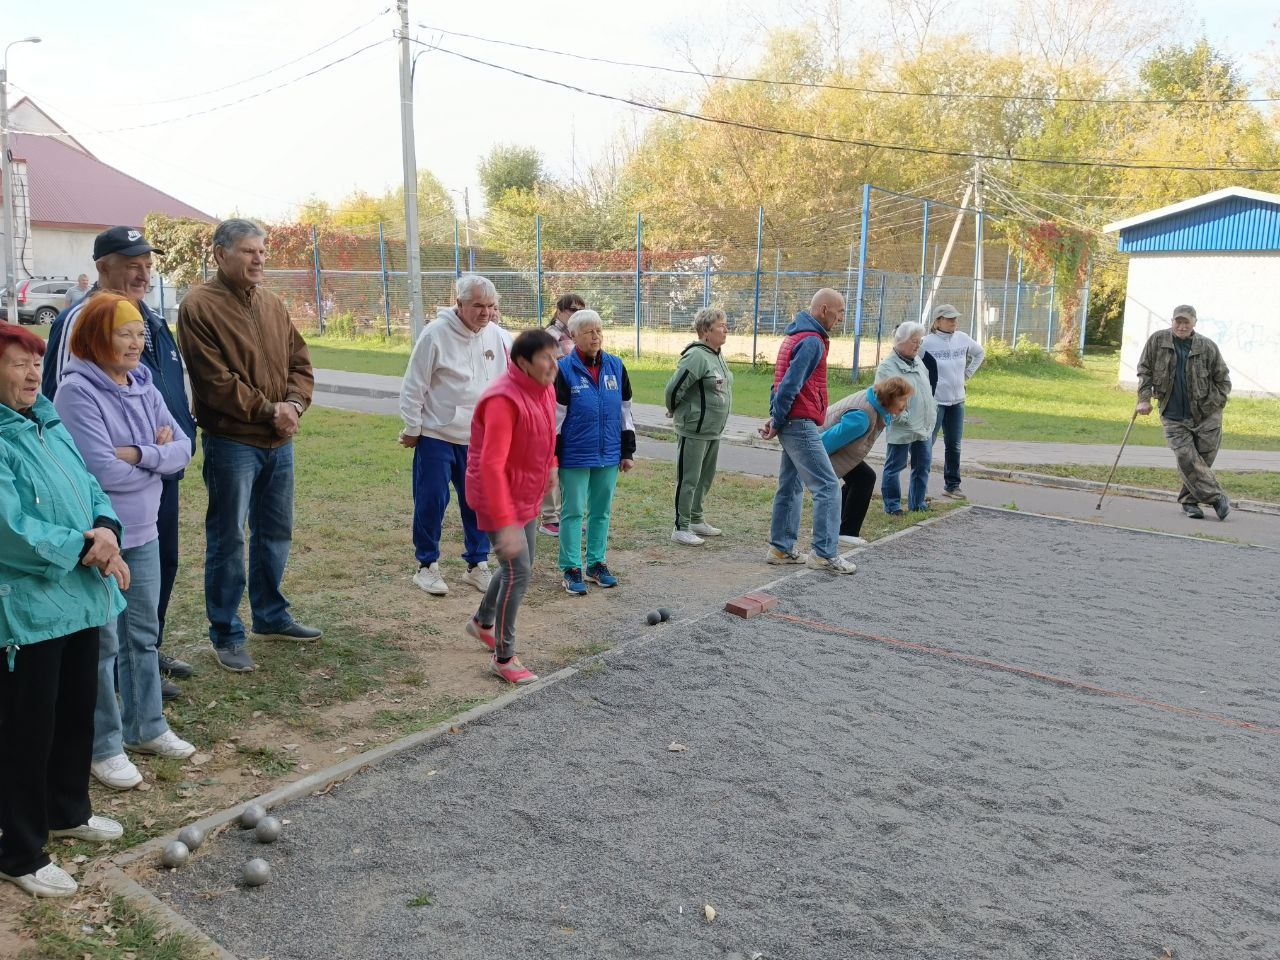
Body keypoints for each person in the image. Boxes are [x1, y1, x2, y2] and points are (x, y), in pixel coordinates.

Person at [0, 323, 128, 898]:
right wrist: (84, 546)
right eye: (17, 363)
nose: (32, 374)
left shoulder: (47, 420)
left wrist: (105, 527)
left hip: (78, 596)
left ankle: (67, 810)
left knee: (76, 710)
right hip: (26, 607)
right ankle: (20, 851)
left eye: (35, 362)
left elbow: (91, 485)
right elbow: (10, 529)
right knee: (27, 728)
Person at [43, 226, 198, 699]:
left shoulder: (148, 317)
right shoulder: (83, 321)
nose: (142, 273)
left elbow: (161, 397)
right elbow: (61, 408)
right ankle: (114, 682)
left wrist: (152, 453)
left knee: (159, 567)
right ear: (102, 267)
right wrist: (156, 451)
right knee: (111, 591)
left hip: (154, 479)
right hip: (110, 497)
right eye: (131, 264)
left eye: (147, 264)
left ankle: (143, 662)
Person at [54, 293, 196, 790]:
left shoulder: (144, 383)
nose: (136, 342)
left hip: (146, 529)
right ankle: (104, 747)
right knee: (104, 644)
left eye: (139, 332)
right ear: (97, 337)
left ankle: (147, 727)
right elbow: (97, 470)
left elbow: (182, 449)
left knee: (143, 636)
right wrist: (154, 459)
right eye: (123, 333)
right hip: (103, 538)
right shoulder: (76, 392)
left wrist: (139, 456)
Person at [177, 219, 319, 674]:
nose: (259, 259)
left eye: (262, 251)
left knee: (275, 532)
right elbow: (213, 382)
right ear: (220, 254)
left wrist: (294, 404)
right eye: (248, 251)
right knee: (228, 539)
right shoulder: (198, 306)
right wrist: (269, 410)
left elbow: (300, 359)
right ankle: (226, 632)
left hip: (279, 440)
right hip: (232, 441)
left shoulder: (272, 302)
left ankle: (271, 616)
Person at [398, 274, 508, 597]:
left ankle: (477, 564)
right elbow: (413, 385)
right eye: (477, 306)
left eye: (490, 306)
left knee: (477, 504)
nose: (485, 313)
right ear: (459, 304)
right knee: (431, 500)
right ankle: (426, 566)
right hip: (437, 434)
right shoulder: (435, 334)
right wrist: (412, 428)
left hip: (481, 438)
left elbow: (510, 380)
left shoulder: (499, 337)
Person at [464, 329, 561, 684]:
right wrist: (504, 524)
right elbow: (491, 466)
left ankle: (482, 622)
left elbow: (549, 431)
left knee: (520, 566)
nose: (554, 364)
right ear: (523, 362)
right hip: (497, 499)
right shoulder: (502, 400)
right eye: (546, 358)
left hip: (526, 493)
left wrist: (550, 465)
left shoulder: (545, 387)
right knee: (518, 570)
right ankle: (504, 657)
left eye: (556, 356)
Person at [760, 289, 858, 575]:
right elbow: (790, 384)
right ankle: (825, 554)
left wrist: (775, 416)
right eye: (839, 312)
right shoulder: (812, 341)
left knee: (790, 485)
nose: (841, 318)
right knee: (827, 486)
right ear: (824, 309)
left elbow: (779, 381)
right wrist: (777, 420)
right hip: (799, 423)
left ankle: (781, 548)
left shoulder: (795, 335)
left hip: (791, 420)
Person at [554, 309, 636, 594]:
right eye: (589, 331)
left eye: (599, 330)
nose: (595, 336)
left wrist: (627, 451)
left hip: (609, 453)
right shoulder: (563, 369)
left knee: (601, 512)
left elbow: (625, 411)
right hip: (574, 454)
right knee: (573, 511)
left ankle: (596, 564)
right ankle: (571, 567)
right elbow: (556, 418)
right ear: (573, 336)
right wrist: (553, 456)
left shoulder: (616, 366)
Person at [1136, 304, 1232, 520]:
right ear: (1172, 321)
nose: (1181, 326)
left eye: (1186, 322)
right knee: (1186, 457)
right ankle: (1217, 498)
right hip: (1173, 414)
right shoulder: (1157, 341)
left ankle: (1189, 502)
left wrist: (1214, 404)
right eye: (1178, 321)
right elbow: (1144, 370)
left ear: (1194, 323)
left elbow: (1223, 380)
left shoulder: (1207, 346)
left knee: (1202, 461)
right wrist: (1143, 399)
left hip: (1207, 416)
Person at [664, 306, 734, 546]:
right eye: (721, 325)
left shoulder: (716, 354)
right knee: (689, 479)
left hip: (712, 430)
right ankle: (680, 527)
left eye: (725, 324)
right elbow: (674, 388)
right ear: (706, 331)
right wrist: (674, 409)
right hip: (694, 429)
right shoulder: (696, 356)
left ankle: (696, 519)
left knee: (704, 478)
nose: (726, 329)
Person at [821, 377, 913, 546]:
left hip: (838, 450)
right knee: (864, 478)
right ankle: (845, 532)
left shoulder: (874, 404)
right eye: (902, 399)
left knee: (861, 478)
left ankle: (833, 527)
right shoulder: (861, 418)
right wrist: (807, 460)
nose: (905, 404)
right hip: (820, 448)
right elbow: (826, 441)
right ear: (890, 397)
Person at [922, 303, 984, 500]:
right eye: (949, 319)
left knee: (954, 444)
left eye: (955, 318)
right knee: (927, 443)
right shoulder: (926, 342)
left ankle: (952, 485)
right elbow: (912, 361)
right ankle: (919, 488)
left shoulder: (963, 338)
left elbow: (979, 353)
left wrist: (968, 374)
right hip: (936, 401)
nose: (954, 322)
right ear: (938, 321)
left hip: (957, 401)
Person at [876, 322, 937, 515]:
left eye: (919, 341)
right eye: (914, 341)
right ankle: (892, 507)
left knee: (922, 466)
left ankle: (918, 504)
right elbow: (884, 400)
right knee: (895, 467)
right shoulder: (887, 367)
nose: (918, 345)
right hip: (903, 427)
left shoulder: (918, 360)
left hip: (924, 426)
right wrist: (906, 418)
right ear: (900, 341)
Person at [537, 292, 584, 537]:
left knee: (567, 461)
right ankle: (549, 517)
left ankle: (567, 514)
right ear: (559, 311)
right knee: (551, 460)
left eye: (580, 309)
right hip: (552, 405)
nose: (575, 314)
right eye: (572, 309)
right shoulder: (550, 337)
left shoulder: (577, 337)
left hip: (575, 407)